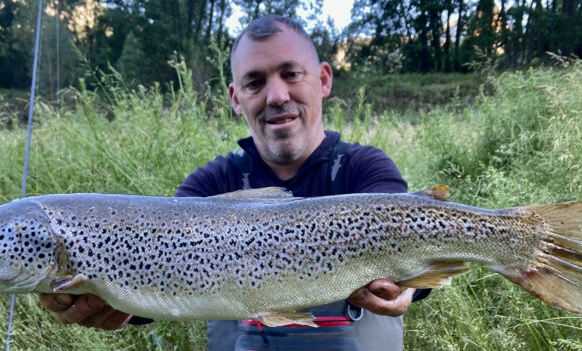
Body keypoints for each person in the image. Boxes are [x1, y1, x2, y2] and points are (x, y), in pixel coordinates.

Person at [39, 15, 429, 350]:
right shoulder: (209, 185)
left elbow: (421, 239)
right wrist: (117, 305)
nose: (276, 96)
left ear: (324, 79)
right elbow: (165, 272)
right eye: (255, 82)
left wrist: (411, 283)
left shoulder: (364, 169)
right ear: (235, 97)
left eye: (291, 74)